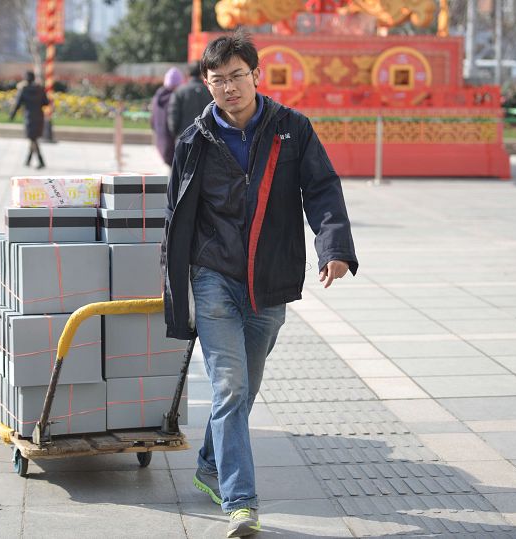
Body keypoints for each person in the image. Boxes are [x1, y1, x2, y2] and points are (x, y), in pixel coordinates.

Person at [160, 31, 358, 538]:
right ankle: (241, 503)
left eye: (237, 76)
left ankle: (210, 463)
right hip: (213, 277)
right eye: (218, 80)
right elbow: (175, 216)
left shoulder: (291, 128)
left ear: (256, 75)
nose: (229, 87)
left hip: (269, 278)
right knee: (229, 387)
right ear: (206, 84)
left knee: (243, 391)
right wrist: (175, 283)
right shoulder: (194, 140)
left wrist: (334, 248)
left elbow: (322, 189)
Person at [10, 71, 48, 169]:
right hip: (39, 116)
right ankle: (28, 160)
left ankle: (41, 161)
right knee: (33, 139)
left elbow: (17, 104)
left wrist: (12, 115)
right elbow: (46, 102)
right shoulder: (40, 89)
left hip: (29, 117)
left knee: (33, 139)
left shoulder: (24, 90)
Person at [167, 61, 212, 140]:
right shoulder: (209, 90)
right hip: (206, 138)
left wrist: (176, 134)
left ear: (188, 73)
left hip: (184, 137)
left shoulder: (179, 91)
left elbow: (173, 117)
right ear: (202, 73)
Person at [150, 67, 184, 166]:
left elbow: (152, 121)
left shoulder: (157, 96)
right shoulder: (174, 99)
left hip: (160, 143)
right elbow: (174, 123)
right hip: (171, 145)